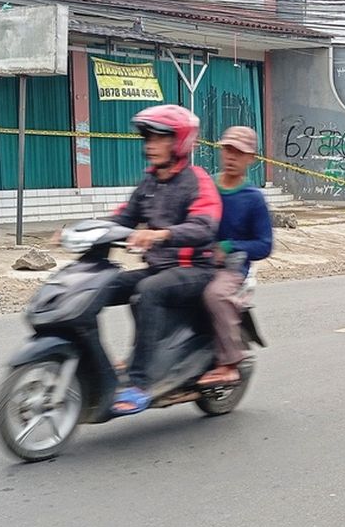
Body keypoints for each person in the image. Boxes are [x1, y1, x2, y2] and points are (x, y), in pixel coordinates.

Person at [106, 104, 222, 414]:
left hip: (195, 269)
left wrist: (159, 235)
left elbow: (203, 226)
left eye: (159, 138)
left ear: (179, 142)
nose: (150, 145)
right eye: (148, 139)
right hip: (160, 268)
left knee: (149, 291)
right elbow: (123, 218)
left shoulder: (197, 180)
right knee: (103, 284)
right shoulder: (149, 183)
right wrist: (85, 231)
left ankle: (139, 383)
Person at [196, 126, 273, 387]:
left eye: (239, 153)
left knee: (214, 295)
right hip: (198, 260)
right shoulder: (207, 186)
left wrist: (229, 247)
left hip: (232, 269)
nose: (231, 157)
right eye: (228, 150)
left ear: (251, 158)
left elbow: (264, 245)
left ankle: (229, 362)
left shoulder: (254, 199)